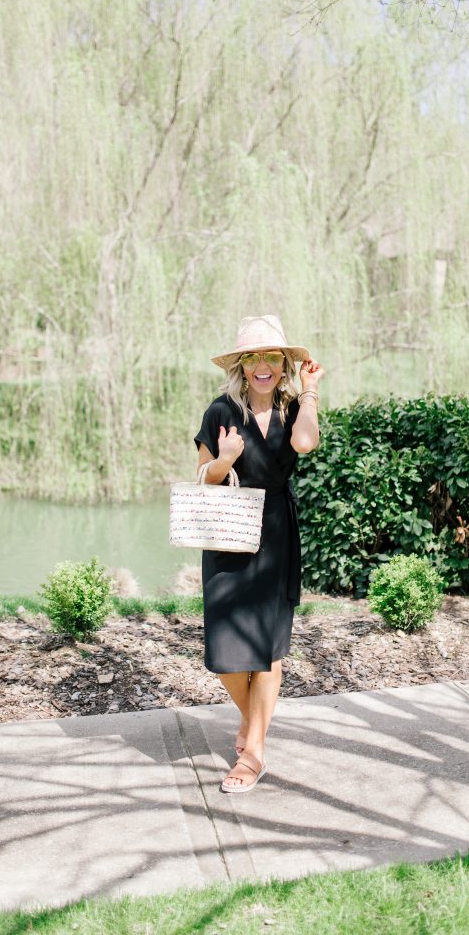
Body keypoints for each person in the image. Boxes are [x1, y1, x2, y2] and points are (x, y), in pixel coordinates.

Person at [193, 314, 324, 792]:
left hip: (275, 533)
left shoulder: (293, 408)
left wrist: (310, 392)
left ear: (284, 364)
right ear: (242, 365)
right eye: (254, 358)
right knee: (227, 650)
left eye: (272, 357)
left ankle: (254, 753)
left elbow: (305, 444)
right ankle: (254, 720)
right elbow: (202, 474)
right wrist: (225, 461)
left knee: (267, 650)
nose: (263, 366)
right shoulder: (220, 411)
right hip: (229, 529)